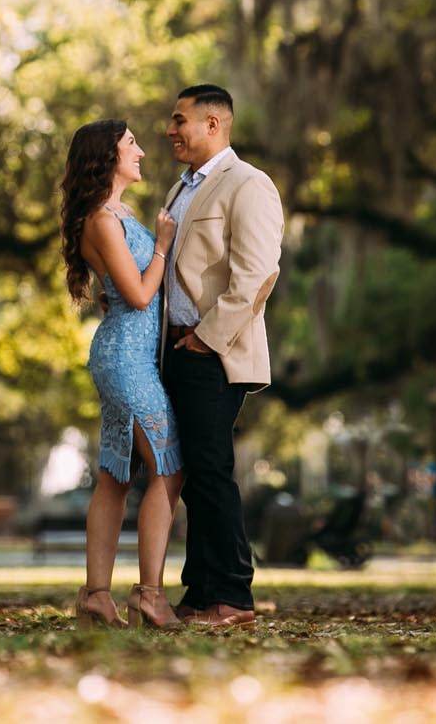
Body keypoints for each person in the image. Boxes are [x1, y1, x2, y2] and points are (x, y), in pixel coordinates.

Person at [158, 84, 283, 629]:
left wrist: (207, 339)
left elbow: (256, 276)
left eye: (180, 119)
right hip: (177, 348)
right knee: (194, 475)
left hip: (215, 350)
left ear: (214, 124)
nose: (170, 130)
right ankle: (200, 593)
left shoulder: (249, 185)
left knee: (211, 472)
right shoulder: (180, 188)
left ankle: (233, 597)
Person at [59, 118, 184, 630]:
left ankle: (96, 596)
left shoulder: (118, 213)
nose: (142, 153)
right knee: (170, 468)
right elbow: (136, 295)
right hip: (124, 359)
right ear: (107, 156)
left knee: (115, 475)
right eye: (132, 145)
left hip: (128, 356)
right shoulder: (103, 220)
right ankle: (150, 595)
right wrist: (162, 244)